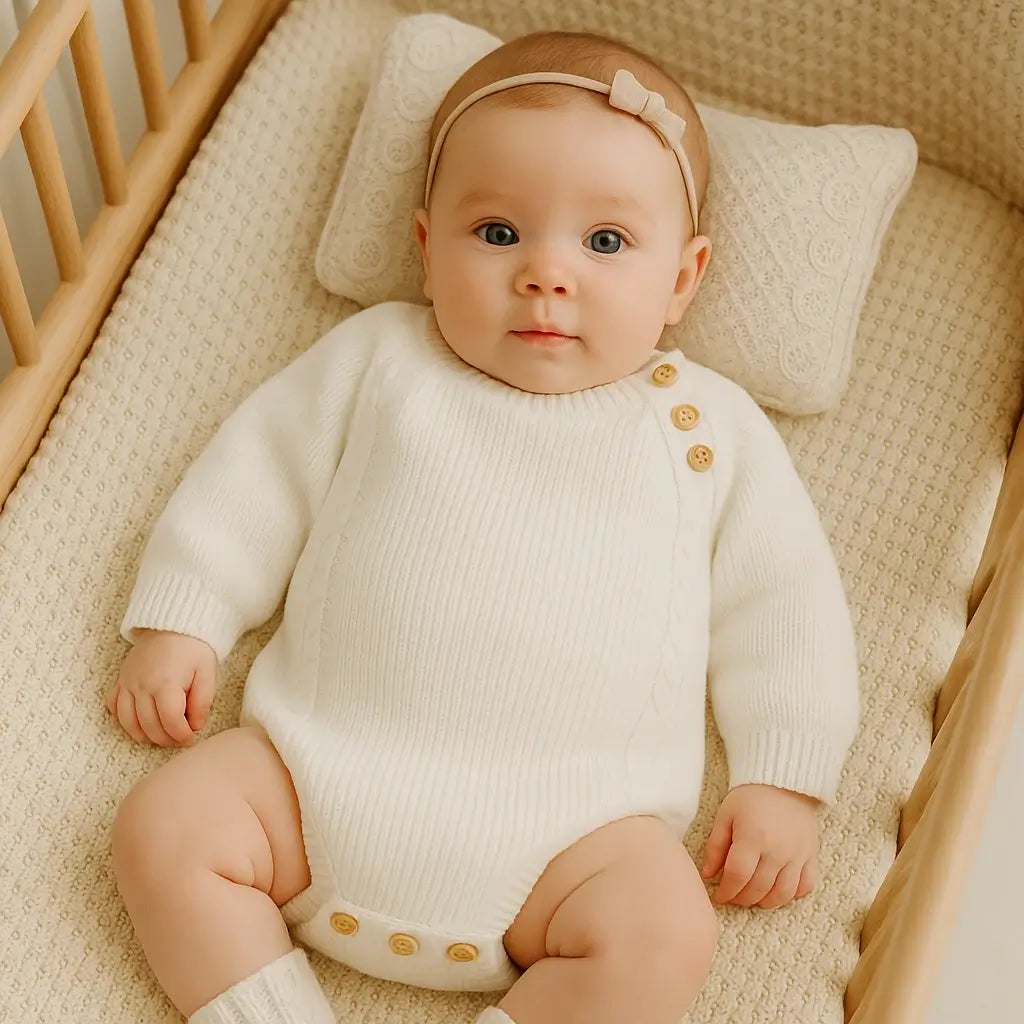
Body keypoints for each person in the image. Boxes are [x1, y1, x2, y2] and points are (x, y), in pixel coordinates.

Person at [107, 29, 860, 1024]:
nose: (547, 274)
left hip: (573, 847)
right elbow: (255, 476)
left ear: (683, 278)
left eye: (604, 243)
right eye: (498, 233)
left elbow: (787, 602)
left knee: (667, 931)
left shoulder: (706, 428)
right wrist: (185, 614)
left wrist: (783, 778)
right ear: (427, 247)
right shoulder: (380, 360)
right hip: (312, 777)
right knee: (160, 827)